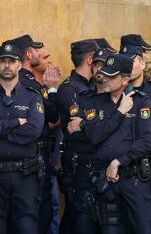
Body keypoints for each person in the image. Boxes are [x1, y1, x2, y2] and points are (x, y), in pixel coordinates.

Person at [67, 54, 151, 234]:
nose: (104, 79)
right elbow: (94, 135)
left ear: (125, 79)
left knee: (145, 228)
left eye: (111, 76)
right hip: (106, 179)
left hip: (133, 177)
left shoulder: (141, 102)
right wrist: (120, 111)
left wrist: (119, 162)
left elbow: (147, 141)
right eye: (104, 74)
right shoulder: (95, 102)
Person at [10, 34, 60, 233]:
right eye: (41, 54)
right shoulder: (29, 85)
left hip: (33, 160)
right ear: (29, 54)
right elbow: (50, 119)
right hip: (33, 159)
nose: (44, 57)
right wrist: (53, 90)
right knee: (39, 214)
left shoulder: (32, 84)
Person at [56, 39, 100, 233]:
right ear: (90, 60)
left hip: (96, 161)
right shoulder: (69, 88)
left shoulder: (97, 85)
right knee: (79, 216)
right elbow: (81, 126)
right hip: (78, 163)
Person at [0, 42, 44, 234]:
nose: (7, 65)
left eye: (12, 61)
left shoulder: (32, 96)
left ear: (20, 64)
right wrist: (16, 122)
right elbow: (25, 128)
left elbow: (34, 130)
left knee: (26, 227)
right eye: (3, 61)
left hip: (25, 177)